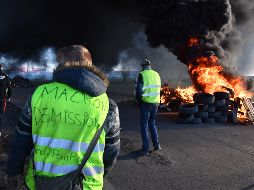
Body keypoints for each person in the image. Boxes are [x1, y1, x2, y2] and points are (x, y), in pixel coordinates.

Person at [6, 45, 120, 190]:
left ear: (62, 64)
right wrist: (99, 176)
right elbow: (111, 150)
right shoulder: (108, 105)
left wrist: (13, 170)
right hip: (87, 184)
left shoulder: (39, 94)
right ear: (90, 65)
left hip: (42, 182)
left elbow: (22, 137)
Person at [135, 59, 161, 155]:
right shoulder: (157, 74)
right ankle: (156, 145)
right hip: (156, 103)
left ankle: (145, 149)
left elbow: (138, 91)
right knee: (152, 123)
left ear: (143, 66)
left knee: (144, 125)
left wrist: (139, 103)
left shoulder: (142, 75)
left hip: (146, 103)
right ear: (150, 65)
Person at [0, 64, 12, 133]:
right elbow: (10, 89)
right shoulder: (5, 76)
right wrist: (8, 97)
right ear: (1, 67)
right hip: (2, 99)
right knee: (1, 115)